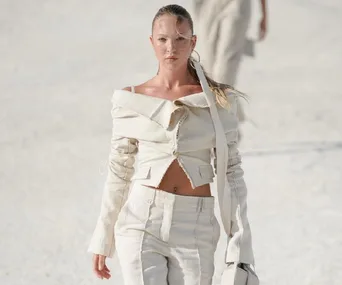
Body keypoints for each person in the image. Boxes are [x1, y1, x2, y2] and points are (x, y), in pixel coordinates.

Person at [88, 4, 256, 285]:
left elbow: (232, 173)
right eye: (163, 39)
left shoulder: (219, 101)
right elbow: (119, 171)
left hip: (196, 227)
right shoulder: (130, 100)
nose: (171, 48)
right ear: (151, 42)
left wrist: (239, 244)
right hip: (140, 222)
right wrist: (103, 239)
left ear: (193, 42)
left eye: (180, 39)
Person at [193, 0, 268, 141]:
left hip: (237, 4)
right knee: (208, 73)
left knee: (223, 73)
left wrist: (264, 14)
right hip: (208, 5)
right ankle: (231, 116)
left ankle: (228, 125)